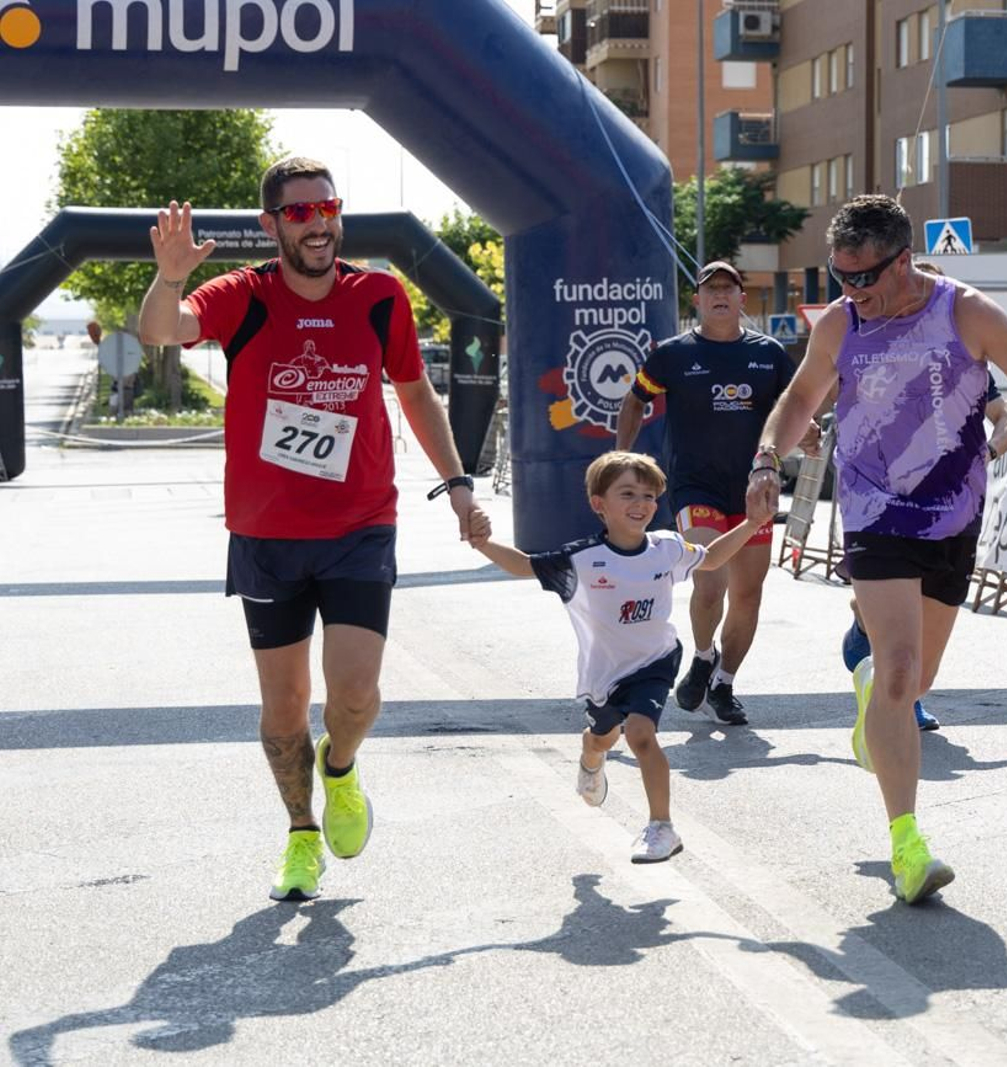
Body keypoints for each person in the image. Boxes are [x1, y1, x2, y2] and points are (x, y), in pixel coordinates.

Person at [750, 195, 1007, 904]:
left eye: (866, 277)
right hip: (872, 510)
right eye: (841, 276)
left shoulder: (967, 314)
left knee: (913, 684)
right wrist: (767, 455)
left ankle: (875, 715)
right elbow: (801, 397)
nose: (854, 292)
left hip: (952, 515)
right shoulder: (842, 324)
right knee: (897, 670)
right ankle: (907, 845)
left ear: (904, 259)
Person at [137, 157, 487, 902]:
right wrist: (169, 277)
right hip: (267, 534)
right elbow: (164, 330)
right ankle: (300, 832)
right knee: (284, 708)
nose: (318, 222)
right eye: (298, 213)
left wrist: (458, 484)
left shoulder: (380, 297)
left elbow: (417, 393)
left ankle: (341, 766)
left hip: (361, 523)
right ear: (272, 226)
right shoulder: (244, 295)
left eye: (326, 207)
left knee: (356, 696)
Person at [470, 452, 775, 863]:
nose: (641, 503)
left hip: (655, 661)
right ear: (599, 504)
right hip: (604, 674)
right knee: (602, 737)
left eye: (649, 495)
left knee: (641, 735)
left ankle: (661, 828)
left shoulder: (666, 547)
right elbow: (524, 565)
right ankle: (591, 759)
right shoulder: (580, 560)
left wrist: (753, 523)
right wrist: (483, 542)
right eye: (627, 493)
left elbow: (714, 558)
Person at [617, 261, 814, 727]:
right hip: (694, 485)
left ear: (743, 299)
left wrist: (808, 432)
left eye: (730, 289)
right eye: (712, 290)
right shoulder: (672, 354)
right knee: (709, 579)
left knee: (749, 595)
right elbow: (634, 400)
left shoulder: (769, 354)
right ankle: (703, 654)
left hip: (753, 486)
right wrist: (620, 459)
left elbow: (796, 408)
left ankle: (723, 682)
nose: (721, 296)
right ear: (698, 301)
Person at [839, 354, 1007, 732]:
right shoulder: (887, 354)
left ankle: (871, 637)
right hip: (889, 502)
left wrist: (987, 452)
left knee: (926, 610)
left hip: (953, 506)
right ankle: (905, 699)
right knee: (908, 615)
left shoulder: (970, 366)